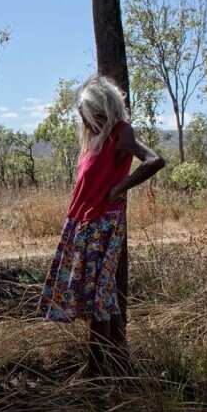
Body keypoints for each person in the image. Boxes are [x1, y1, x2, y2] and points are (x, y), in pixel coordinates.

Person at [37, 74, 165, 375]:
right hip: (81, 222)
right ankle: (100, 369)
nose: (86, 118)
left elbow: (154, 160)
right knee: (93, 295)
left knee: (99, 297)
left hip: (103, 224)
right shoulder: (93, 139)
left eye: (90, 112)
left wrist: (120, 188)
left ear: (102, 108)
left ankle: (97, 371)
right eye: (84, 114)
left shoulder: (120, 132)